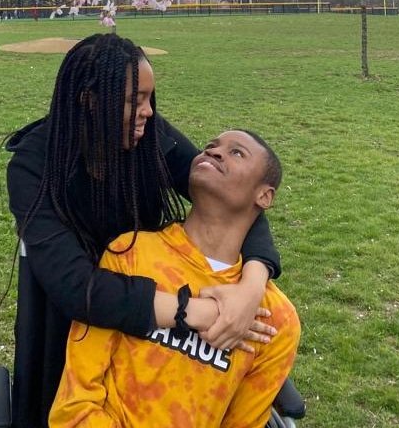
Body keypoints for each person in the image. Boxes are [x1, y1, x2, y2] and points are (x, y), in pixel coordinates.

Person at [6, 33, 282, 427]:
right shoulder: (34, 166)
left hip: (156, 318)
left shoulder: (150, 136)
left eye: (150, 99)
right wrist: (192, 312)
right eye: (134, 101)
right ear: (90, 101)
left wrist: (250, 290)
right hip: (78, 323)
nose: (148, 113)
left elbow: (236, 199)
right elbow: (72, 285)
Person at [49, 129, 299, 428]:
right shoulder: (130, 254)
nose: (214, 151)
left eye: (237, 153)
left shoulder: (276, 319)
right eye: (211, 146)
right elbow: (75, 407)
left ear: (264, 196)